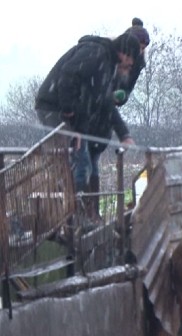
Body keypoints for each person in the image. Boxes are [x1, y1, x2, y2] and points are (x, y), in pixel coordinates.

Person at [34, 32, 141, 197]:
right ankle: (72, 210)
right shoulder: (96, 54)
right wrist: (69, 113)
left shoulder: (106, 65)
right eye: (131, 59)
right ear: (124, 53)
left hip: (65, 110)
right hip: (53, 107)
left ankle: (77, 209)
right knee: (78, 162)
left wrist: (123, 134)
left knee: (81, 162)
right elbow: (67, 77)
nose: (131, 63)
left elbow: (102, 102)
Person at [83, 18, 151, 220]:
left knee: (92, 160)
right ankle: (87, 211)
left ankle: (92, 211)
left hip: (103, 115)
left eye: (143, 48)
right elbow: (101, 93)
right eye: (138, 47)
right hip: (91, 112)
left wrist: (121, 96)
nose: (139, 52)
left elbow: (122, 92)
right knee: (84, 161)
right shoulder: (107, 58)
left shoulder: (135, 64)